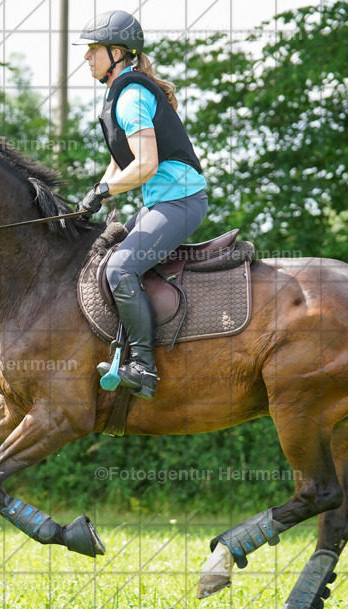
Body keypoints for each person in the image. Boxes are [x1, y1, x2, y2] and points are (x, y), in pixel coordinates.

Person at [74, 10, 208, 400]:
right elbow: (120, 159)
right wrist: (95, 193)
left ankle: (144, 369)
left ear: (117, 53)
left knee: (119, 267)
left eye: (93, 50)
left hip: (180, 201)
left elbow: (146, 165)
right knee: (103, 254)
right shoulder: (118, 95)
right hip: (162, 203)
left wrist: (105, 191)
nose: (87, 57)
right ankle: (121, 350)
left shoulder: (131, 96)